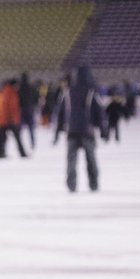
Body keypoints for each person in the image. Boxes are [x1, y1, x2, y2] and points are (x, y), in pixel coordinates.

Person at [55, 65, 104, 193]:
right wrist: (103, 129)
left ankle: (71, 185)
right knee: (91, 159)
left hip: (71, 131)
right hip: (87, 132)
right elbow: (99, 111)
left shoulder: (67, 92)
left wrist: (58, 130)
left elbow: (60, 112)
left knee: (71, 160)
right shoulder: (91, 92)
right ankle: (93, 184)